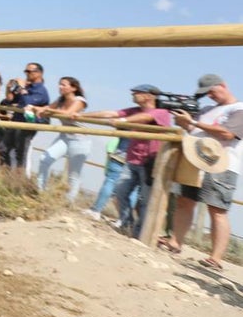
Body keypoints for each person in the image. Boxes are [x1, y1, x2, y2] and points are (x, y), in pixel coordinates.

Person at [158, 74, 243, 269]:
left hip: (223, 164)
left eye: (212, 91)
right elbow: (196, 131)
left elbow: (227, 133)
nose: (210, 96)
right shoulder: (206, 109)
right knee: (184, 201)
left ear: (223, 85)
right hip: (196, 161)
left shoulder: (239, 108)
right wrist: (184, 123)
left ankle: (215, 258)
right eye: (206, 94)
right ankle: (175, 242)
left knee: (217, 210)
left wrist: (193, 123)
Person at [83, 84, 171, 238]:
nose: (133, 95)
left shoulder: (161, 112)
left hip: (150, 162)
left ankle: (140, 233)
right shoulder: (134, 111)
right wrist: (83, 116)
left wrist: (123, 121)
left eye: (136, 93)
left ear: (148, 96)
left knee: (144, 200)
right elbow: (111, 113)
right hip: (132, 160)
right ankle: (127, 223)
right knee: (120, 192)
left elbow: (146, 117)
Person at [33, 77, 89, 202]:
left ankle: (69, 202)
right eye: (59, 84)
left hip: (79, 139)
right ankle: (40, 191)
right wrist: (36, 108)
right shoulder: (60, 100)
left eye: (63, 85)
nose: (60, 87)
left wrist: (46, 109)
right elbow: (47, 109)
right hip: (64, 137)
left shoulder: (80, 100)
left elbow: (68, 113)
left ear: (73, 88)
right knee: (44, 159)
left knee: (73, 175)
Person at [0, 62, 50, 168]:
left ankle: (20, 181)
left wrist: (21, 87)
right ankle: (7, 176)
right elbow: (9, 101)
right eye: (26, 71)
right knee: (2, 149)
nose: (27, 74)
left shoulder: (41, 91)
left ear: (39, 73)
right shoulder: (27, 88)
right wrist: (8, 88)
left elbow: (27, 103)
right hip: (16, 121)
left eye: (29, 71)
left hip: (27, 125)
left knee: (20, 155)